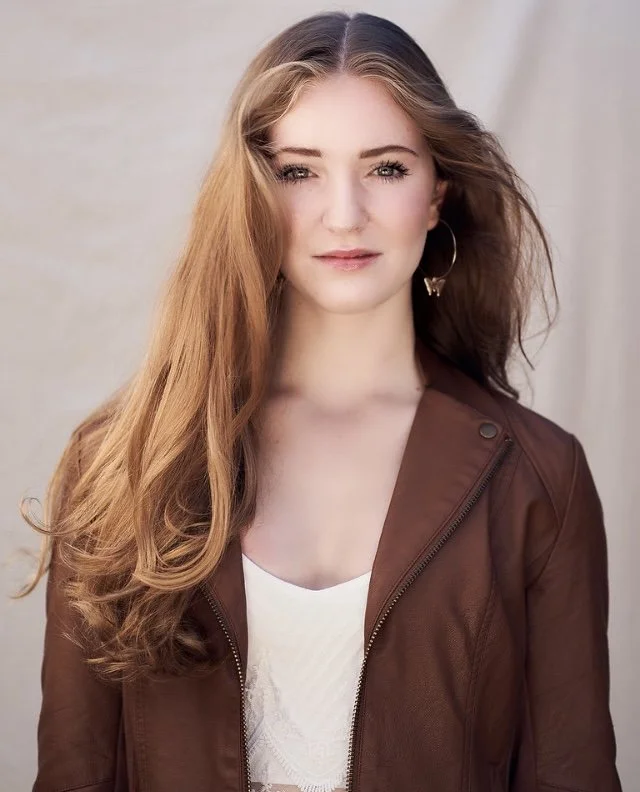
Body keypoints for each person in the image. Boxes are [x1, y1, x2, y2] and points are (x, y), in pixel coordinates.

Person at [19, 10, 622, 792]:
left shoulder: (540, 477)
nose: (345, 213)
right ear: (251, 194)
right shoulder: (122, 461)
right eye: (299, 170)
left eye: (387, 168)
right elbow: (74, 772)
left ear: (438, 193)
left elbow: (571, 775)